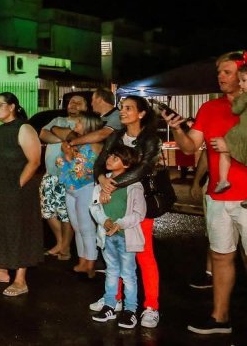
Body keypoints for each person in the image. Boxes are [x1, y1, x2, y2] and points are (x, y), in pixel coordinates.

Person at [165, 51, 247, 335]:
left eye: (227, 72)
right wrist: (178, 128)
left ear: (244, 75)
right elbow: (191, 147)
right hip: (218, 196)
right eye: (219, 72)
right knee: (220, 256)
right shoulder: (209, 108)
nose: (220, 77)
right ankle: (220, 318)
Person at [91, 96, 163, 327]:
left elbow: (145, 167)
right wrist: (102, 178)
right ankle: (115, 300)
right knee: (113, 253)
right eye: (121, 107)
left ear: (141, 113)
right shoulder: (116, 136)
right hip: (113, 202)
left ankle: (151, 307)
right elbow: (100, 163)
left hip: (137, 204)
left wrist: (114, 183)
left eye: (128, 108)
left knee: (142, 254)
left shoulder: (150, 139)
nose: (122, 111)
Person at [0, 92, 43, 297]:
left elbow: (34, 161)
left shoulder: (24, 128)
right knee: (0, 228)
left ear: (12, 106)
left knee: (19, 230)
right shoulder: (0, 130)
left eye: (0, 104)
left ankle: (20, 280)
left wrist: (17, 185)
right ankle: (2, 271)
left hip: (18, 190)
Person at [89, 145, 146, 329]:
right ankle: (109, 305)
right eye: (110, 156)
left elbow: (139, 213)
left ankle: (130, 310)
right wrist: (104, 221)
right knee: (111, 271)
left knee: (128, 274)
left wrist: (119, 224)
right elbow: (94, 206)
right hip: (107, 237)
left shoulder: (134, 186)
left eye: (116, 157)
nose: (109, 159)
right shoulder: (102, 184)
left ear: (127, 164)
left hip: (125, 237)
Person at [38, 94, 89, 260]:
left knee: (67, 213)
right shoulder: (57, 119)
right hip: (50, 174)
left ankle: (65, 247)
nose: (73, 104)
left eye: (78, 102)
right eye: (71, 102)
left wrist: (64, 137)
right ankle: (60, 242)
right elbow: (42, 135)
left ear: (86, 107)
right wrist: (63, 138)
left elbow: (78, 140)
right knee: (47, 211)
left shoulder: (86, 124)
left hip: (69, 176)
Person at [57, 111, 104, 276]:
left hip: (85, 188)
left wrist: (68, 157)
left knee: (86, 227)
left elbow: (80, 172)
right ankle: (82, 260)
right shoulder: (79, 144)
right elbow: (64, 167)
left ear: (88, 125)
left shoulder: (93, 146)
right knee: (77, 227)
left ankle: (90, 262)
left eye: (78, 123)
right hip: (72, 189)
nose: (74, 126)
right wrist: (68, 157)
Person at [211, 62, 247, 208]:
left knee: (224, 150)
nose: (240, 83)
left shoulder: (246, 96)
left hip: (243, 132)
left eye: (244, 80)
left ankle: (223, 180)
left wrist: (237, 99)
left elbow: (236, 110)